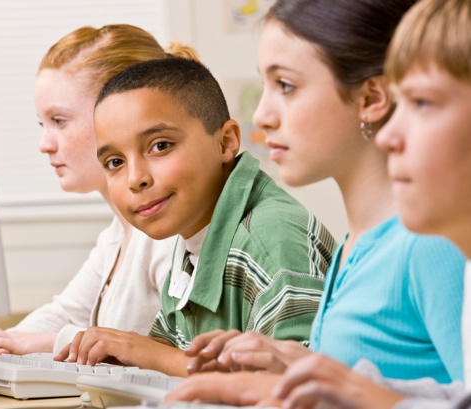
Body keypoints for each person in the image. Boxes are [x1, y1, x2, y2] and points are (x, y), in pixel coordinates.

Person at [164, 0, 468, 403]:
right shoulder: (351, 246)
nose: (263, 115)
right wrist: (297, 364)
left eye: (286, 86)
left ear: (371, 98)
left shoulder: (431, 244)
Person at [54, 56, 337, 377]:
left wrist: (155, 356)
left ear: (226, 142)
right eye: (115, 162)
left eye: (160, 146)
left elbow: (301, 387)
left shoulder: (271, 238)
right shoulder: (191, 245)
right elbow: (169, 361)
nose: (135, 178)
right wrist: (129, 361)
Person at [0, 24, 196, 356]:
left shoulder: (167, 233)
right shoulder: (117, 235)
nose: (44, 145)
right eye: (42, 123)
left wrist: (39, 341)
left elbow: (170, 350)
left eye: (59, 121)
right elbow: (66, 313)